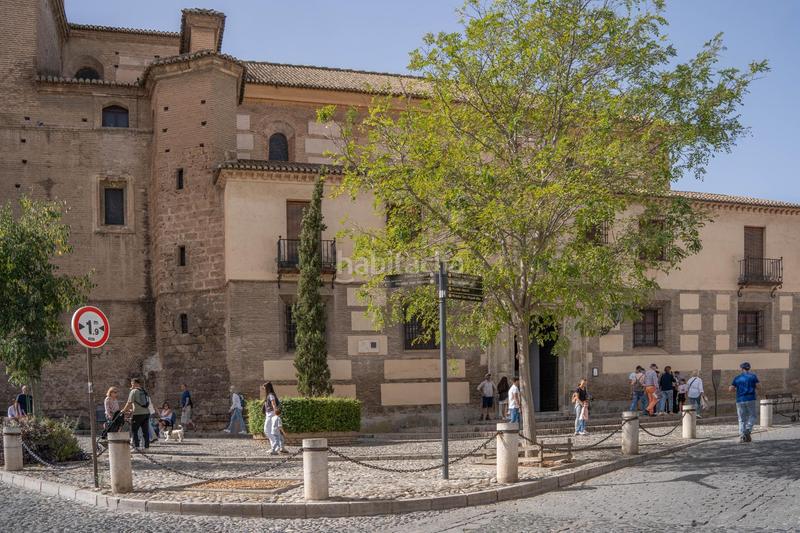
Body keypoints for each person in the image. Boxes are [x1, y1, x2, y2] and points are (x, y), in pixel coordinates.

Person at [729, 362, 759, 443]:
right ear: (749, 368)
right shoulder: (753, 376)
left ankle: (742, 436)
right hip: (751, 398)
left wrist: (737, 389)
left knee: (741, 419)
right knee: (753, 416)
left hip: (740, 400)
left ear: (742, 369)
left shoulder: (737, 378)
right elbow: (759, 387)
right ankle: (748, 429)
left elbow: (730, 389)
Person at [122, 378, 151, 449]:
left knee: (134, 430)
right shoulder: (144, 391)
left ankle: (136, 446)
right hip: (146, 413)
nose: (131, 385)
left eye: (132, 384)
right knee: (145, 430)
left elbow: (129, 403)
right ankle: (146, 447)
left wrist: (123, 410)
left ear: (135, 383)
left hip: (137, 414)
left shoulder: (133, 391)